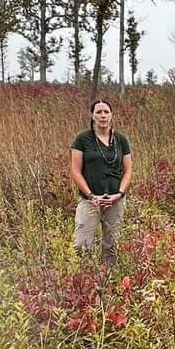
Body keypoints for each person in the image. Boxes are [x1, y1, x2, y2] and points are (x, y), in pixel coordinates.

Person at [70, 100, 132, 267]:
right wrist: (91, 196)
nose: (103, 115)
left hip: (115, 200)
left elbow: (128, 171)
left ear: (111, 115)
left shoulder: (121, 140)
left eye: (106, 112)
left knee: (111, 244)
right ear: (92, 115)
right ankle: (83, 282)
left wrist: (119, 194)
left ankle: (108, 280)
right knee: (81, 245)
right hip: (90, 200)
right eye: (99, 112)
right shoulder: (82, 139)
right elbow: (75, 171)